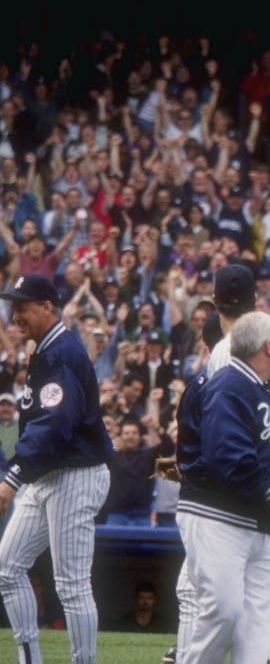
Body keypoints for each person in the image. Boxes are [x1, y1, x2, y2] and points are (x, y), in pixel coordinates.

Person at [0, 274, 112, 664]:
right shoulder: (46, 350)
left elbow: (55, 426)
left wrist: (12, 478)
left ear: (48, 307)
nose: (15, 315)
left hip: (75, 473)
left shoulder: (62, 352)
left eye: (23, 306)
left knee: (71, 586)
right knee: (7, 568)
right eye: (12, 305)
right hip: (48, 472)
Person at [175, 311, 270, 664]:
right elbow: (228, 453)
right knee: (223, 614)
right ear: (269, 347)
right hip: (219, 515)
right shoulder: (229, 383)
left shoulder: (256, 385)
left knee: (260, 627)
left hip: (258, 522)